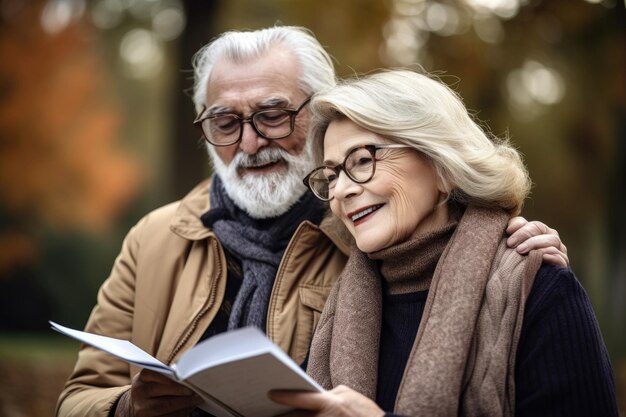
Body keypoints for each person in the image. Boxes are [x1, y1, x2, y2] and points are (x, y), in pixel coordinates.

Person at [55, 27, 570, 417]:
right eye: (225, 122)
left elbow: (453, 248)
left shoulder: (370, 228)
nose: (251, 143)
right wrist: (127, 407)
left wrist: (511, 237)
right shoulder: (154, 238)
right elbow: (78, 397)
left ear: (319, 116)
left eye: (273, 114)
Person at [269, 69, 618, 417]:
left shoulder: (541, 290)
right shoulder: (341, 303)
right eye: (331, 176)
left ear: (442, 166)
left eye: (362, 160)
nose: (341, 190)